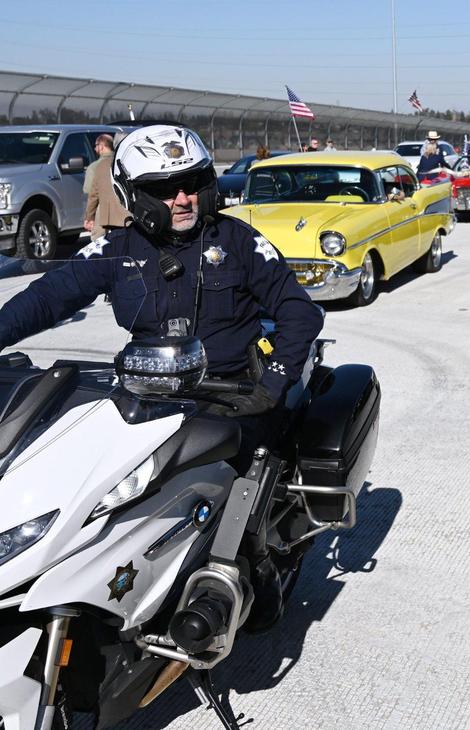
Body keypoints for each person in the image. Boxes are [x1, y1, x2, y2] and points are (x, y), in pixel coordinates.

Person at [0, 124, 323, 629]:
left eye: (192, 183)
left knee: (239, 490)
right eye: (164, 189)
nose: (183, 198)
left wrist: (273, 383)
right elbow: (48, 297)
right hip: (148, 396)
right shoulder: (116, 249)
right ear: (133, 194)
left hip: (230, 397)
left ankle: (246, 576)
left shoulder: (236, 240)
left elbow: (298, 311)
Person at [83, 134, 129, 239]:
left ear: (101, 146)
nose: (95, 148)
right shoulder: (126, 162)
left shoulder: (96, 166)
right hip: (127, 214)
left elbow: (92, 194)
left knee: (99, 243)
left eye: (96, 145)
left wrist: (89, 217)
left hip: (105, 214)